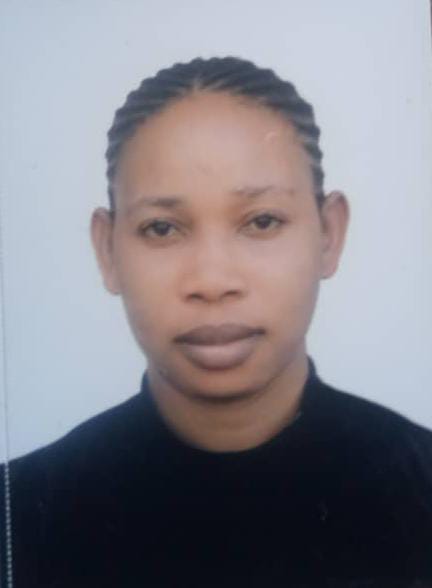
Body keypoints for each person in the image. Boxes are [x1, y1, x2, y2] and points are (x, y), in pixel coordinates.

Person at [1, 56, 432, 588]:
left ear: (329, 234)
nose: (212, 280)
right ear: (107, 250)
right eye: (162, 228)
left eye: (262, 221)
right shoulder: (19, 517)